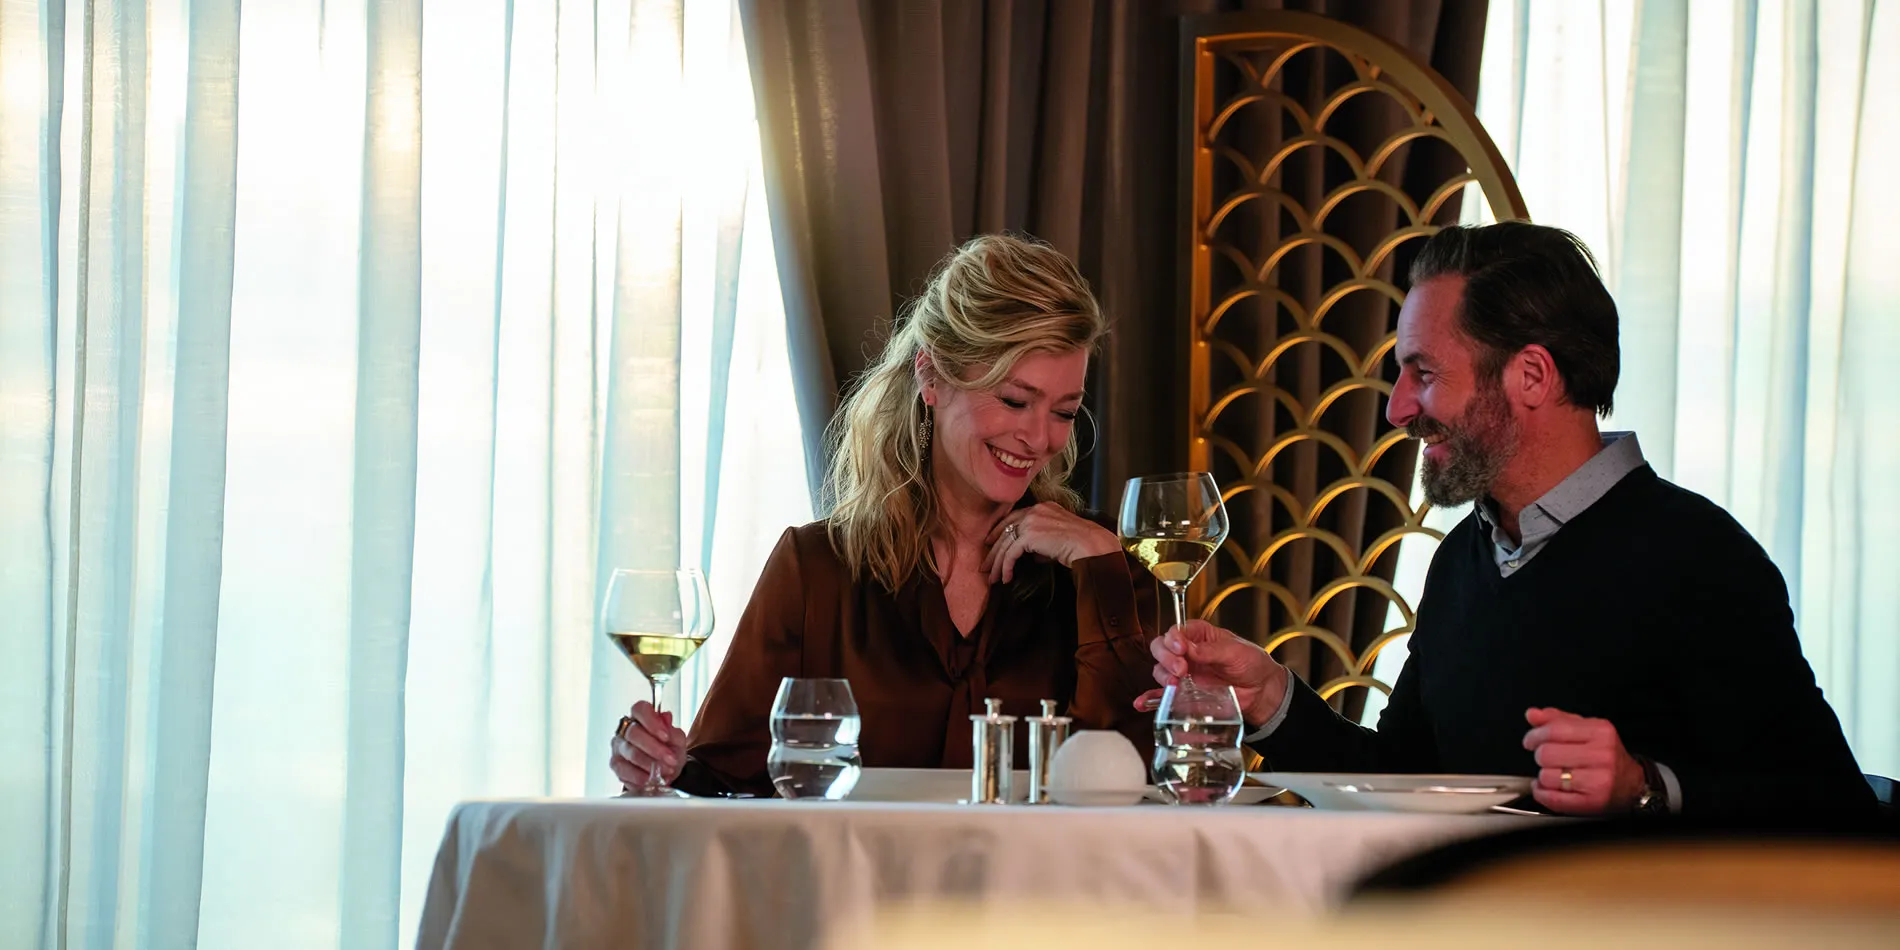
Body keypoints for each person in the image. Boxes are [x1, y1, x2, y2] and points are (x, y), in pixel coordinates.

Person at [1140, 222, 1872, 818]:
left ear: (1532, 375)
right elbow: (1405, 781)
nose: (1397, 408)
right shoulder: (1462, 558)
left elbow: (1835, 807)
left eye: (1424, 373)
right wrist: (1271, 698)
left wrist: (1645, 787)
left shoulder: (1699, 557)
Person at [611, 233, 1159, 797]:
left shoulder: (1103, 565)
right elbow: (720, 782)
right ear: (931, 376)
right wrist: (657, 763)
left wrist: (1100, 565)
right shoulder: (814, 570)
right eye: (1014, 401)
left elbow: (1134, 783)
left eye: (1064, 412)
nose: (1040, 438)